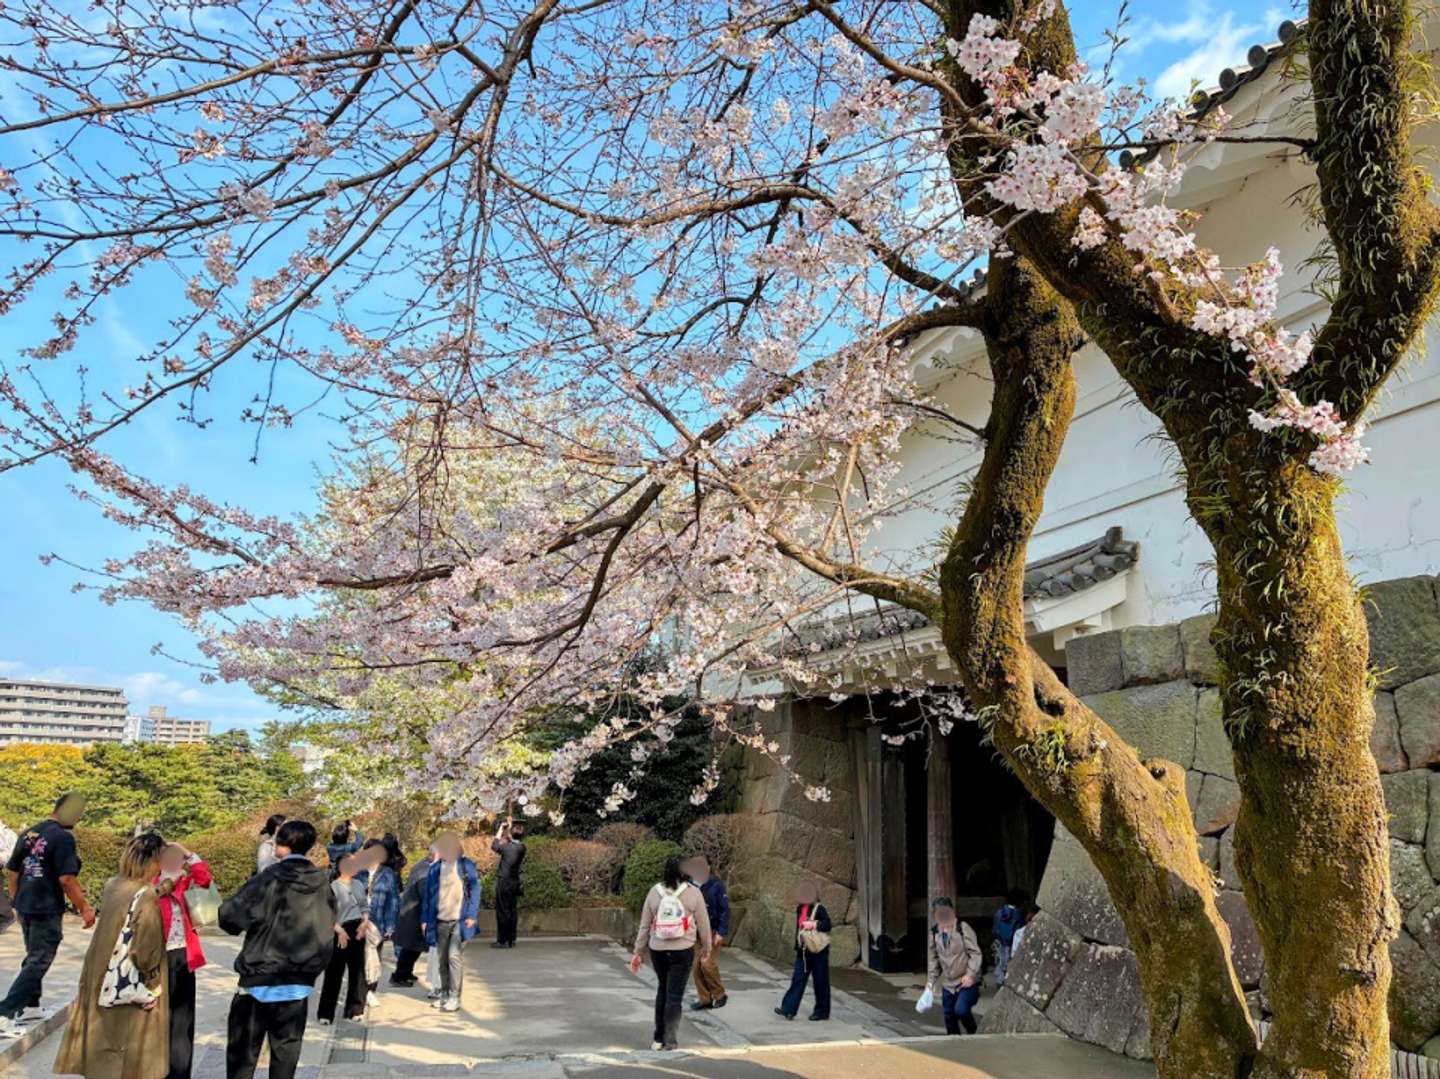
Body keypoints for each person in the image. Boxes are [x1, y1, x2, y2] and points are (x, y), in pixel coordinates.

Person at [219, 819, 338, 1079]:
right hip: (297, 986)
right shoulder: (322, 883)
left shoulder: (267, 879)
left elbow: (229, 917)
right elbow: (327, 928)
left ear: (279, 844)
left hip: (257, 982)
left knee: (242, 1057)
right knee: (286, 1059)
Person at [53, 832, 169, 1079]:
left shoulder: (113, 885)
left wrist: (166, 887)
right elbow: (145, 952)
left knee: (100, 1049)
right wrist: (153, 986)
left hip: (99, 973)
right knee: (128, 1053)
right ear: (154, 861)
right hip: (127, 983)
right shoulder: (146, 895)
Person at [0, 792, 95, 1037]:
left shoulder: (30, 832)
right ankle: (5, 1013)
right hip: (46, 907)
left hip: (26, 905)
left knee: (34, 956)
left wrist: (16, 899)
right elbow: (66, 879)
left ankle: (31, 1006)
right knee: (40, 959)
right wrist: (84, 908)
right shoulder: (63, 838)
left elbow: (12, 870)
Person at [628, 854, 711, 1051]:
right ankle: (670, 1040)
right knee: (674, 996)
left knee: (662, 990)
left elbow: (645, 925)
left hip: (657, 949)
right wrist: (707, 948)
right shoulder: (693, 893)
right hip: (683, 950)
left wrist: (637, 952)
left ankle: (657, 1039)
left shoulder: (654, 892)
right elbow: (704, 924)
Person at [153, 843, 211, 1079]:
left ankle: (179, 1073)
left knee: (182, 1020)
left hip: (183, 954)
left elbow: (205, 879)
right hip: (156, 956)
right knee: (157, 1019)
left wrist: (189, 853)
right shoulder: (151, 882)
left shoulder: (184, 878)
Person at [419, 832, 480, 1012]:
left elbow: (475, 890)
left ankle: (455, 996)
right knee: (442, 959)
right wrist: (424, 919)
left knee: (454, 957)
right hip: (440, 920)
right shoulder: (435, 868)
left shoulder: (465, 866)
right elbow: (428, 896)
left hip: (459, 920)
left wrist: (471, 915)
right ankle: (444, 993)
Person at [318, 852, 369, 1024]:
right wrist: (339, 931)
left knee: (357, 971)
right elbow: (326, 914)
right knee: (334, 972)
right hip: (339, 929)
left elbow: (364, 906)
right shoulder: (332, 887)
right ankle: (326, 1013)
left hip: (358, 929)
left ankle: (355, 1009)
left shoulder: (359, 884)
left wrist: (365, 922)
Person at [773, 880, 831, 1022]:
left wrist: (813, 924)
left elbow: (827, 925)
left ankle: (822, 1012)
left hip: (818, 952)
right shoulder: (800, 908)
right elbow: (798, 930)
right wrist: (797, 946)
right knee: (797, 980)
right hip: (803, 951)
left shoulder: (820, 909)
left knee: (820, 982)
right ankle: (788, 1009)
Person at [926, 897, 983, 1036]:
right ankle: (953, 1043)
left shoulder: (962, 928)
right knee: (949, 1017)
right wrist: (930, 981)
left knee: (961, 1010)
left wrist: (971, 974)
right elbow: (933, 960)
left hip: (966, 981)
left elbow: (975, 953)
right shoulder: (934, 933)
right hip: (948, 983)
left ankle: (974, 1034)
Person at [684, 854, 730, 1011]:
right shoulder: (689, 885)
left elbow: (725, 910)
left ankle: (720, 994)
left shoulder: (716, 885)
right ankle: (704, 999)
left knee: (706, 964)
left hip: (711, 930)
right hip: (694, 931)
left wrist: (721, 932)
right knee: (696, 967)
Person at [358, 838, 399, 1006]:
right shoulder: (358, 872)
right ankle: (360, 992)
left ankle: (370, 989)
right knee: (359, 959)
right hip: (358, 921)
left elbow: (393, 901)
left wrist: (390, 925)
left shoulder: (388, 873)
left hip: (378, 921)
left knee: (374, 956)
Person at [390, 845, 433, 988]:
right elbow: (425, 892)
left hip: (412, 910)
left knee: (414, 947)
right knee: (410, 947)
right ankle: (399, 975)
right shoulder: (425, 870)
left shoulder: (422, 864)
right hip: (413, 911)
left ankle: (406, 972)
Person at [490, 818, 526, 949]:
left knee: (502, 911)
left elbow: (494, 845)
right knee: (512, 910)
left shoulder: (508, 848)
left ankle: (502, 940)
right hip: (515, 882)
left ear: (511, 834)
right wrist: (509, 832)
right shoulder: (522, 848)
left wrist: (501, 829)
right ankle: (511, 939)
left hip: (504, 881)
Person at [991, 888, 1028, 988]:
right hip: (1012, 942)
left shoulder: (998, 913)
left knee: (1000, 962)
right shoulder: (1018, 914)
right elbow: (1020, 930)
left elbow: (994, 930)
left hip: (1000, 942)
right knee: (1011, 963)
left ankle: (1000, 981)